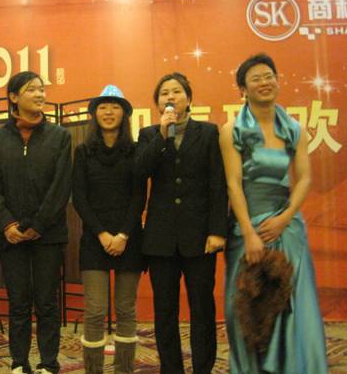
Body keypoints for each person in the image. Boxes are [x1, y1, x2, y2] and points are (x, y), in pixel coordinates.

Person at [220, 53, 328, 373]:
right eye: (256, 79)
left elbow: (304, 178)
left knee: (293, 305)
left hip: (287, 227)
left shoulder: (294, 128)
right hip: (246, 230)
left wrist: (285, 217)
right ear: (243, 89)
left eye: (270, 76)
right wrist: (249, 234)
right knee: (245, 306)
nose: (265, 83)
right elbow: (233, 183)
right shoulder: (232, 130)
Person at [136, 72, 227, 374]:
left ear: (188, 98)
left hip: (199, 237)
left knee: (202, 308)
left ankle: (203, 368)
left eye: (176, 91)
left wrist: (217, 230)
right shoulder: (149, 135)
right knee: (165, 311)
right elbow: (139, 171)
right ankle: (171, 368)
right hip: (160, 239)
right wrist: (162, 135)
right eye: (164, 93)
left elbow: (217, 184)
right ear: (157, 102)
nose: (170, 97)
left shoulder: (208, 132)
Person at [0, 71, 72, 374]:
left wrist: (38, 224)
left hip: (48, 234)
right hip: (9, 235)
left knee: (47, 302)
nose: (39, 94)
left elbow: (61, 187)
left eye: (41, 89)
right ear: (13, 97)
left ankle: (49, 363)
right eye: (32, 89)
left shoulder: (60, 136)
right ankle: (19, 363)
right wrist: (7, 224)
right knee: (18, 302)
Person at [72, 85, 146, 374]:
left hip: (129, 239)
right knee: (94, 311)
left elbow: (139, 197)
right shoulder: (83, 151)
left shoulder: (136, 151)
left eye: (115, 107)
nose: (108, 112)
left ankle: (123, 370)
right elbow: (80, 197)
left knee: (126, 309)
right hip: (95, 240)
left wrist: (123, 235)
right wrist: (102, 234)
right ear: (94, 114)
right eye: (103, 107)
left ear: (124, 114)